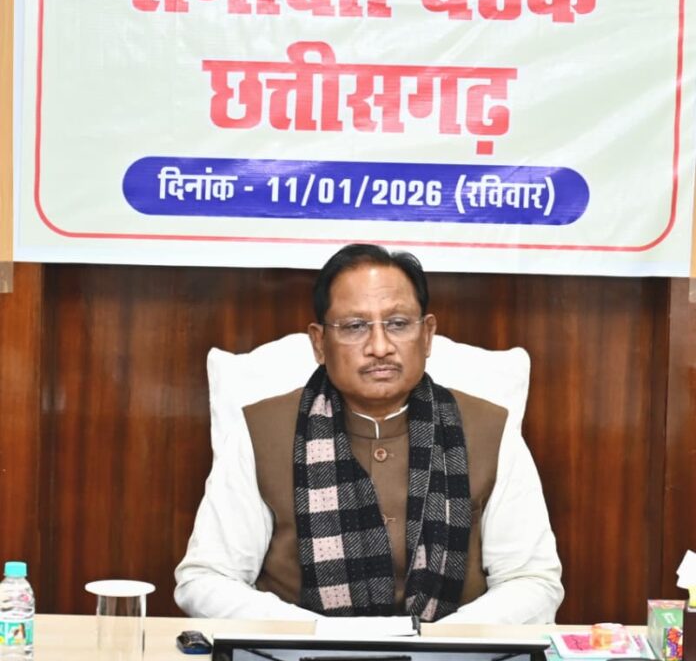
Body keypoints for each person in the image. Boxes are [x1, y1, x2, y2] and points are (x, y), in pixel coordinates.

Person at [174, 244, 563, 624]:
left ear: (427, 335)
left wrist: (443, 644)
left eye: (398, 324)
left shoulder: (490, 430)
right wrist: (317, 635)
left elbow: (532, 581)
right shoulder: (262, 432)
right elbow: (206, 579)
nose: (379, 347)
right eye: (355, 327)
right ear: (319, 343)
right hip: (298, 660)